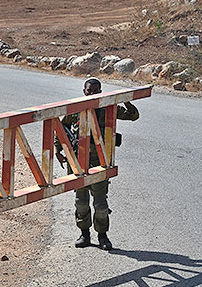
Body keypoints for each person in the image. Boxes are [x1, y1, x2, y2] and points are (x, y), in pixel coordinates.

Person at [55, 78, 139, 250]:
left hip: (99, 161)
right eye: (89, 90)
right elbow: (62, 128)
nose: (92, 94)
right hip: (78, 161)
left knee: (100, 204)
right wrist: (58, 150)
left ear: (101, 92)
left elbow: (133, 116)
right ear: (84, 91)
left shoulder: (108, 108)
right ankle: (84, 234)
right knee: (81, 202)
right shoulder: (75, 109)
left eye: (96, 91)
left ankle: (102, 235)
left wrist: (125, 101)